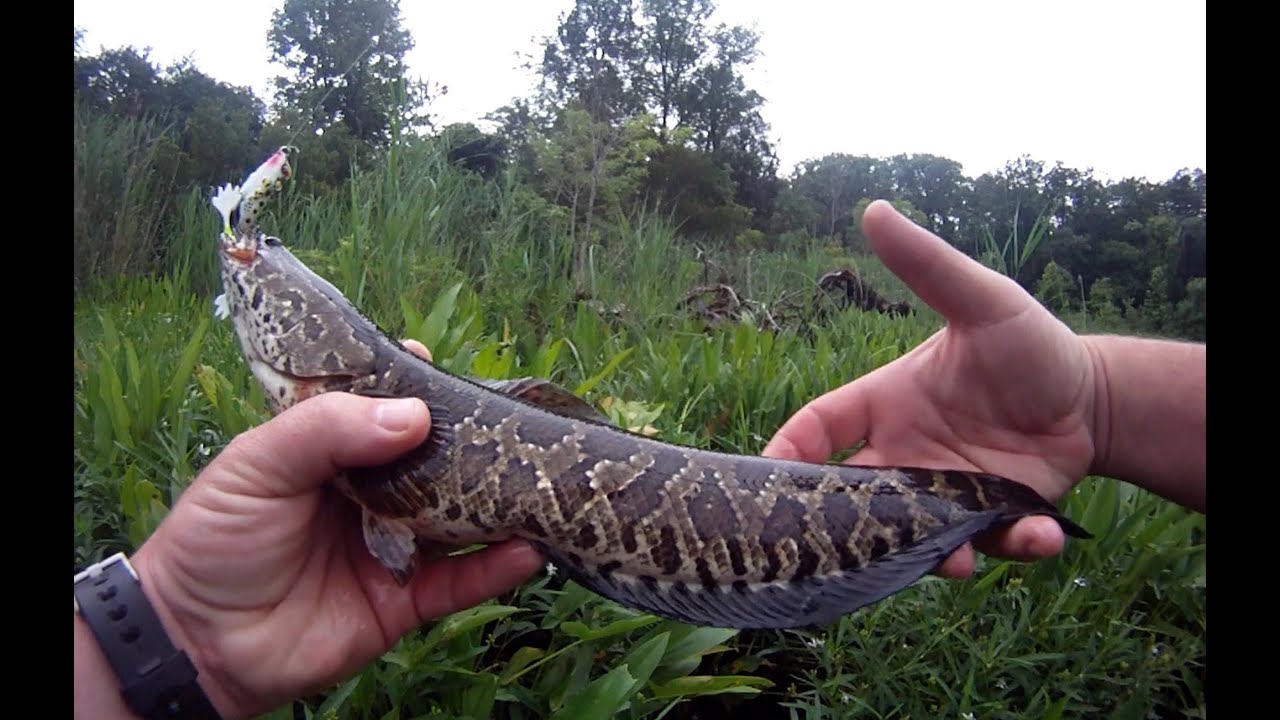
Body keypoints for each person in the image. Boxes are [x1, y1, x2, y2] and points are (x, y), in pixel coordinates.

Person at [73, 200, 1205, 720]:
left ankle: (958, 508)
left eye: (269, 288)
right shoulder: (352, 405)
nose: (255, 284)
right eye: (264, 284)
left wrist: (161, 639)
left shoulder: (365, 394)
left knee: (770, 511)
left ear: (314, 345)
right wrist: (175, 628)